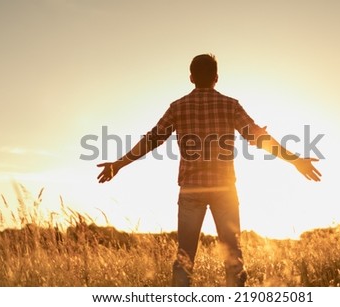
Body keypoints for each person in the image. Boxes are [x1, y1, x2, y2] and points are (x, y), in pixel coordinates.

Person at [97, 54, 321, 286]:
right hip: (225, 189)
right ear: (216, 77)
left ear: (191, 77)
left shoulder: (178, 107)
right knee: (233, 257)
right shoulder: (230, 105)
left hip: (191, 190)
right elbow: (257, 136)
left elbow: (152, 139)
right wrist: (294, 159)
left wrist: (119, 164)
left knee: (185, 257)